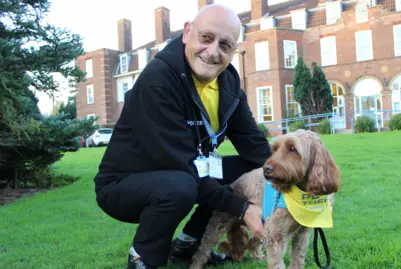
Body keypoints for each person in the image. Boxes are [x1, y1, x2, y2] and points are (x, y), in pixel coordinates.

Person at [93, 4, 272, 269]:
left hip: (187, 169)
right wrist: (244, 209)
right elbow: (186, 168)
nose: (213, 52)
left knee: (257, 168)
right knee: (181, 186)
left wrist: (290, 179)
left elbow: (255, 147)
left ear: (234, 51)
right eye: (206, 38)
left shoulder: (229, 83)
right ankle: (143, 261)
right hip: (124, 184)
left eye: (225, 45)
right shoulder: (158, 80)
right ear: (188, 32)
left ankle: (189, 244)